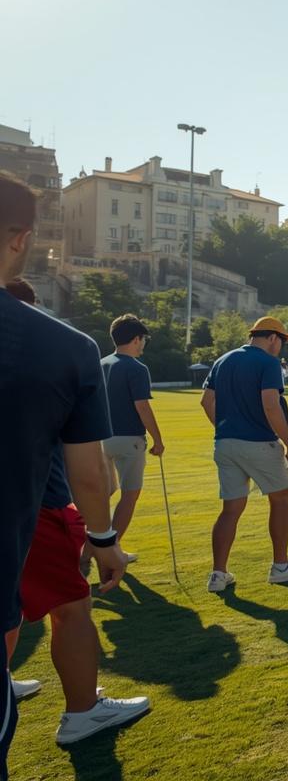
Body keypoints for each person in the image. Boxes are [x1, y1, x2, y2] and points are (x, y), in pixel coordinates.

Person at [2, 269, 145, 751]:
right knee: (72, 606)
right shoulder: (56, 346)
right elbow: (88, 468)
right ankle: (82, 711)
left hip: (28, 503)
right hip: (35, 503)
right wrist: (103, 540)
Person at [201, 316, 288, 593]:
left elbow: (206, 402)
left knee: (230, 509)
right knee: (280, 499)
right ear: (273, 338)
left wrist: (226, 427)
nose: (281, 348)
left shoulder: (223, 360)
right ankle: (281, 566)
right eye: (282, 342)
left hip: (225, 443)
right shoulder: (268, 362)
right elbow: (270, 405)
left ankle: (218, 574)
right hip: (259, 442)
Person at [100, 314, 165, 554]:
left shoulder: (101, 363)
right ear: (136, 339)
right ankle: (112, 549)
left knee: (102, 495)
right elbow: (143, 407)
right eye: (143, 339)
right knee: (130, 494)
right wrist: (158, 440)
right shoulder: (137, 368)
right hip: (129, 439)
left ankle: (88, 550)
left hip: (100, 438)